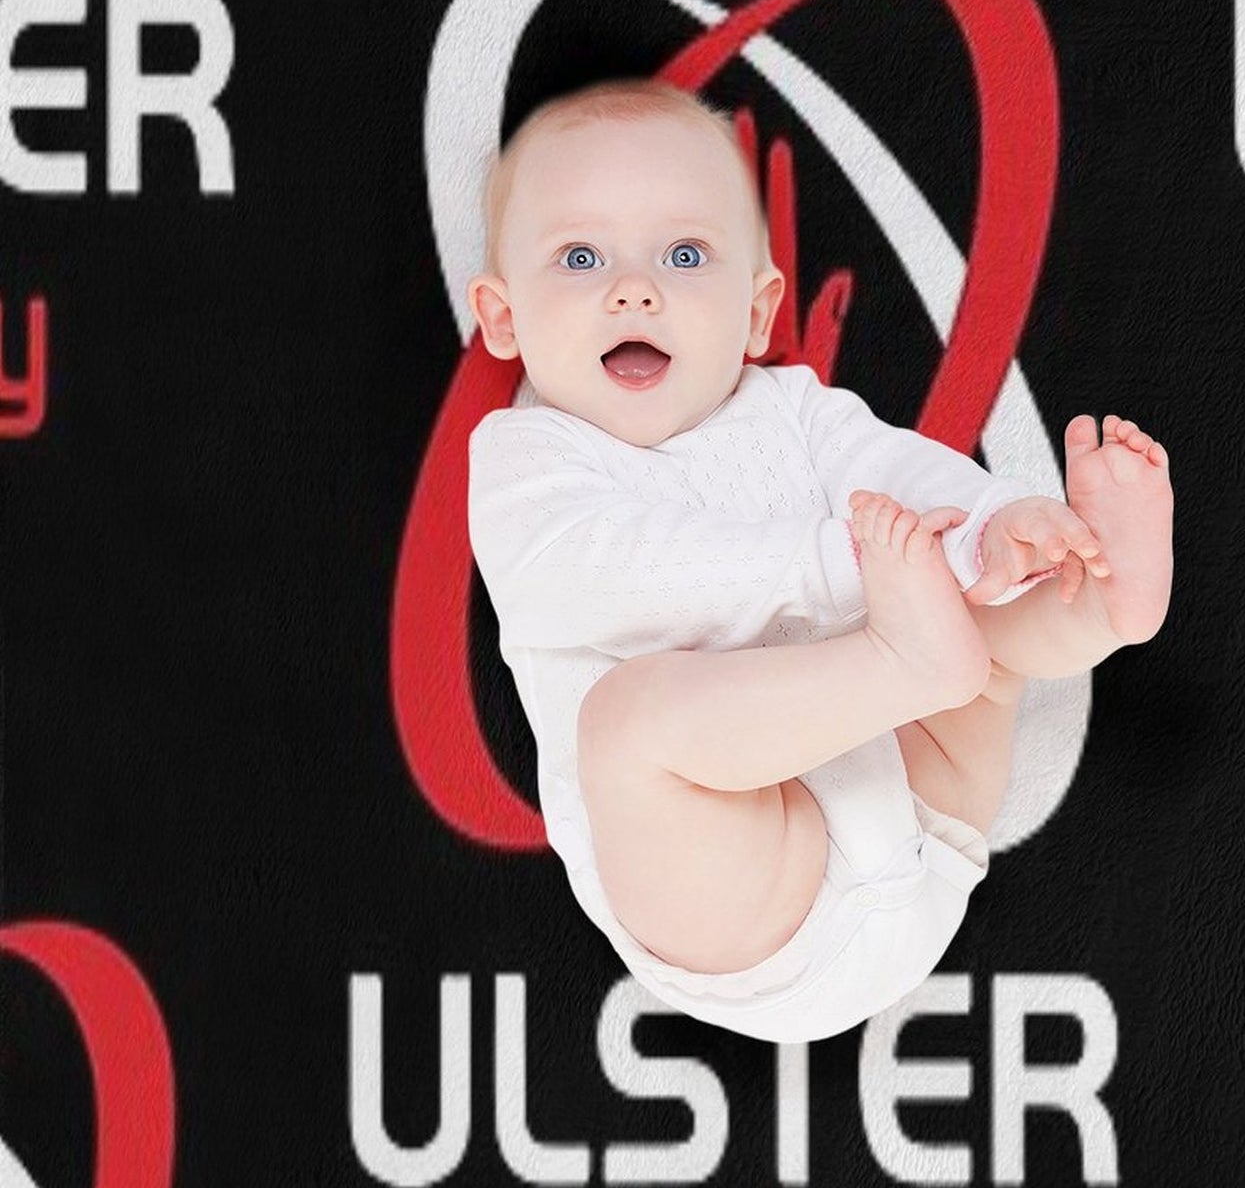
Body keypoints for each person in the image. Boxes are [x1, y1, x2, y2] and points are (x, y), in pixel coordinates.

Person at [465, 76, 1173, 1043]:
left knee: (977, 604)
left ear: (757, 313)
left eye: (684, 254)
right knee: (627, 722)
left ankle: (1094, 601)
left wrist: (991, 524)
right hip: (751, 903)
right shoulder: (527, 461)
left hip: (924, 811)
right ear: (503, 318)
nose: (635, 289)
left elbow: (900, 472)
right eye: (580, 257)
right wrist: (847, 565)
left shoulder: (791, 409)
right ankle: (912, 658)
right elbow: (613, 575)